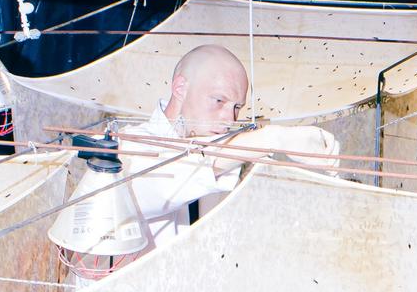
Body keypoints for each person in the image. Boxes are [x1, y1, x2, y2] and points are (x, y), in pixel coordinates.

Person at [116, 43, 341, 245]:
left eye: (236, 107)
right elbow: (177, 174)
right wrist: (275, 138)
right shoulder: (126, 148)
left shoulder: (230, 157)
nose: (229, 120)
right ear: (180, 89)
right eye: (219, 101)